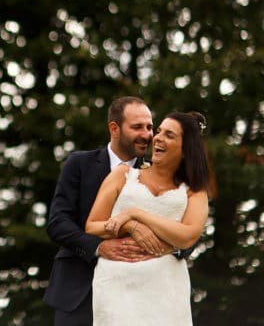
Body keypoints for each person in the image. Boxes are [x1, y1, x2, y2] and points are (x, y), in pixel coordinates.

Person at [43, 96, 174, 325]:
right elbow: (58, 223)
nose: (147, 135)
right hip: (79, 293)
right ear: (114, 129)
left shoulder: (161, 173)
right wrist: (99, 247)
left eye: (149, 127)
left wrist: (164, 248)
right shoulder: (79, 164)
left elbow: (186, 229)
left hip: (139, 296)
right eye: (137, 127)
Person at [85, 111, 214, 325]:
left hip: (165, 286)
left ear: (185, 150)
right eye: (159, 131)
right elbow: (92, 226)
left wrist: (137, 213)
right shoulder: (122, 175)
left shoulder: (194, 190)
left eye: (169, 135)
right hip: (116, 283)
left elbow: (188, 236)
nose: (158, 138)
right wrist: (131, 225)